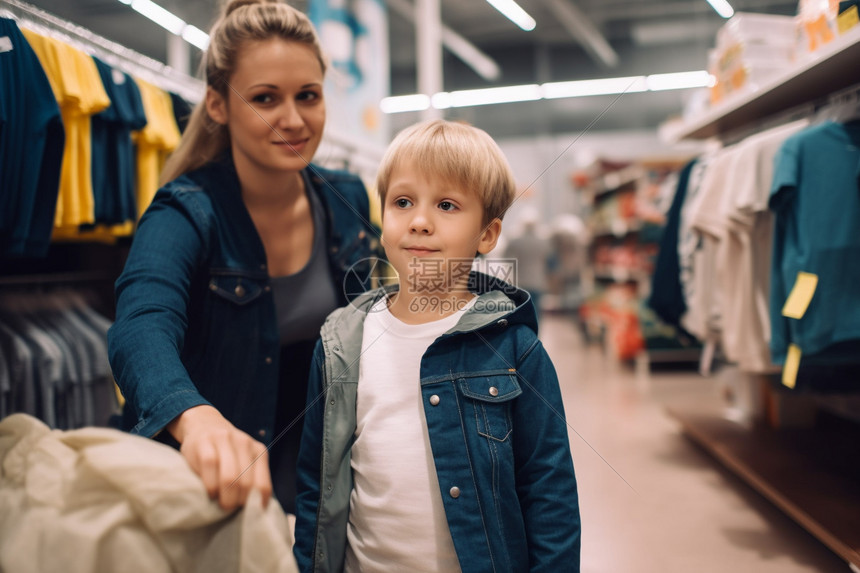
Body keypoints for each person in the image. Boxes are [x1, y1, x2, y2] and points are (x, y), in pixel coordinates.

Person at [107, 0, 378, 514]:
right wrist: (194, 417)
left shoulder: (349, 201)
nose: (293, 119)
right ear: (217, 105)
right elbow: (141, 324)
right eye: (265, 98)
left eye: (308, 96)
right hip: (209, 492)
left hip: (320, 484)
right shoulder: (185, 212)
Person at [294, 119, 581, 572]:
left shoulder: (515, 352)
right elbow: (316, 480)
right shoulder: (341, 343)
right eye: (402, 202)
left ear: (487, 234)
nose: (420, 221)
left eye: (447, 205)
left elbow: (550, 493)